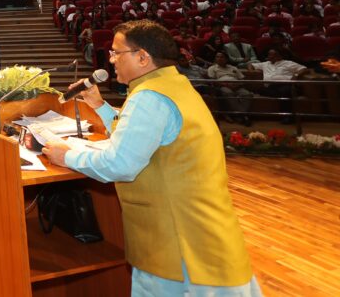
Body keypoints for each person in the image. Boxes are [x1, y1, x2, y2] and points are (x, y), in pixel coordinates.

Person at [42, 20, 259, 296]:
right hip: (203, 232)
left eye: (116, 53)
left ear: (142, 57)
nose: (110, 60)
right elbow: (139, 137)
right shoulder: (172, 85)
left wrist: (67, 156)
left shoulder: (149, 97)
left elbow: (119, 164)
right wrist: (99, 105)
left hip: (178, 243)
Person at [207, 52, 253, 126]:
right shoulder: (212, 68)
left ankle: (239, 115)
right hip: (223, 86)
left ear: (226, 59)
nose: (219, 59)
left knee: (247, 94)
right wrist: (226, 85)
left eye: (222, 57)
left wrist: (237, 85)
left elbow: (243, 79)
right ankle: (243, 116)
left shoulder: (233, 68)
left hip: (237, 86)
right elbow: (212, 81)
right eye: (217, 57)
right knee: (228, 93)